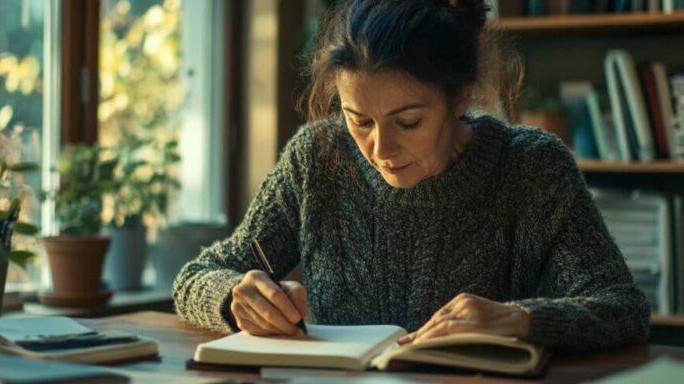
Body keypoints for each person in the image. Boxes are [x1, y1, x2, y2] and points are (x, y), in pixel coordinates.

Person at [173, 0, 649, 352]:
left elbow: (622, 309)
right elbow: (195, 277)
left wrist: (518, 319)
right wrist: (234, 297)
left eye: (408, 122)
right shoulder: (315, 158)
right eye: (358, 120)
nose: (380, 149)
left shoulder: (531, 168)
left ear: (460, 97)